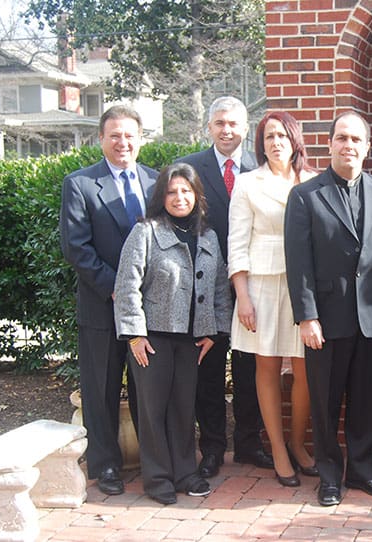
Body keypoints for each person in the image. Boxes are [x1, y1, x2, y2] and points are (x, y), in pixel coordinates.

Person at [284, 111, 372, 506]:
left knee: (366, 401)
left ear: (367, 147)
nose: (349, 145)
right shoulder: (305, 195)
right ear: (330, 144)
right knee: (324, 403)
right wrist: (307, 316)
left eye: (356, 139)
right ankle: (329, 477)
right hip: (326, 319)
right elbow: (298, 261)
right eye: (342, 138)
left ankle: (364, 472)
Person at [113, 163, 232, 504]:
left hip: (192, 339)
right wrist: (134, 334)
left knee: (183, 408)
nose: (180, 198)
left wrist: (216, 330)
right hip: (152, 339)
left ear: (197, 196)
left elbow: (221, 287)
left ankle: (184, 472)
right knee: (153, 410)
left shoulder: (207, 236)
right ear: (161, 196)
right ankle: (158, 478)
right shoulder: (146, 232)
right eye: (172, 191)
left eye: (186, 191)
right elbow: (127, 286)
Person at [59, 105, 158, 495]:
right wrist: (118, 289)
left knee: (145, 387)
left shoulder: (155, 182)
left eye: (130, 135)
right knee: (99, 389)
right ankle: (106, 466)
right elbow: (77, 248)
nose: (123, 142)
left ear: (140, 139)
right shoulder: (80, 184)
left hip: (147, 312)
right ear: (101, 139)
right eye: (114, 135)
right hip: (102, 306)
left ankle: (154, 461)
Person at [176, 96, 272, 479]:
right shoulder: (190, 169)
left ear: (246, 128)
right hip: (208, 286)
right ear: (209, 127)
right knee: (209, 368)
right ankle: (213, 447)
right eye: (219, 123)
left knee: (250, 367)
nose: (226, 130)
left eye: (233, 123)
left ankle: (249, 443)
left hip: (252, 283)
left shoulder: (262, 168)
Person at [228, 111, 319, 487]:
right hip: (261, 287)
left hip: (302, 287)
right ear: (261, 144)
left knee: (305, 370)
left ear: (294, 139)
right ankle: (278, 450)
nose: (275, 142)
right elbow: (236, 243)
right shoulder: (248, 183)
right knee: (266, 367)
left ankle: (298, 444)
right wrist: (243, 297)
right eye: (268, 137)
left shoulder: (313, 182)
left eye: (282, 135)